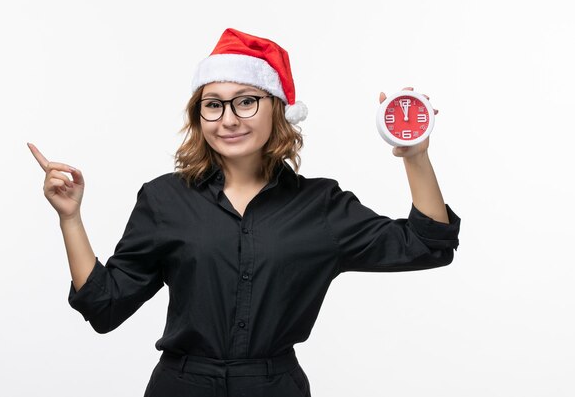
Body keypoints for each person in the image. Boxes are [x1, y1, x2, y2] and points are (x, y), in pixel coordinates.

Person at [28, 28, 461, 397]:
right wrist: (70, 218)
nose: (228, 119)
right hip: (181, 386)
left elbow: (427, 245)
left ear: (277, 109)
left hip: (274, 386)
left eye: (246, 101)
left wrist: (415, 154)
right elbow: (105, 307)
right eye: (213, 104)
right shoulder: (164, 199)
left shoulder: (321, 206)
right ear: (200, 117)